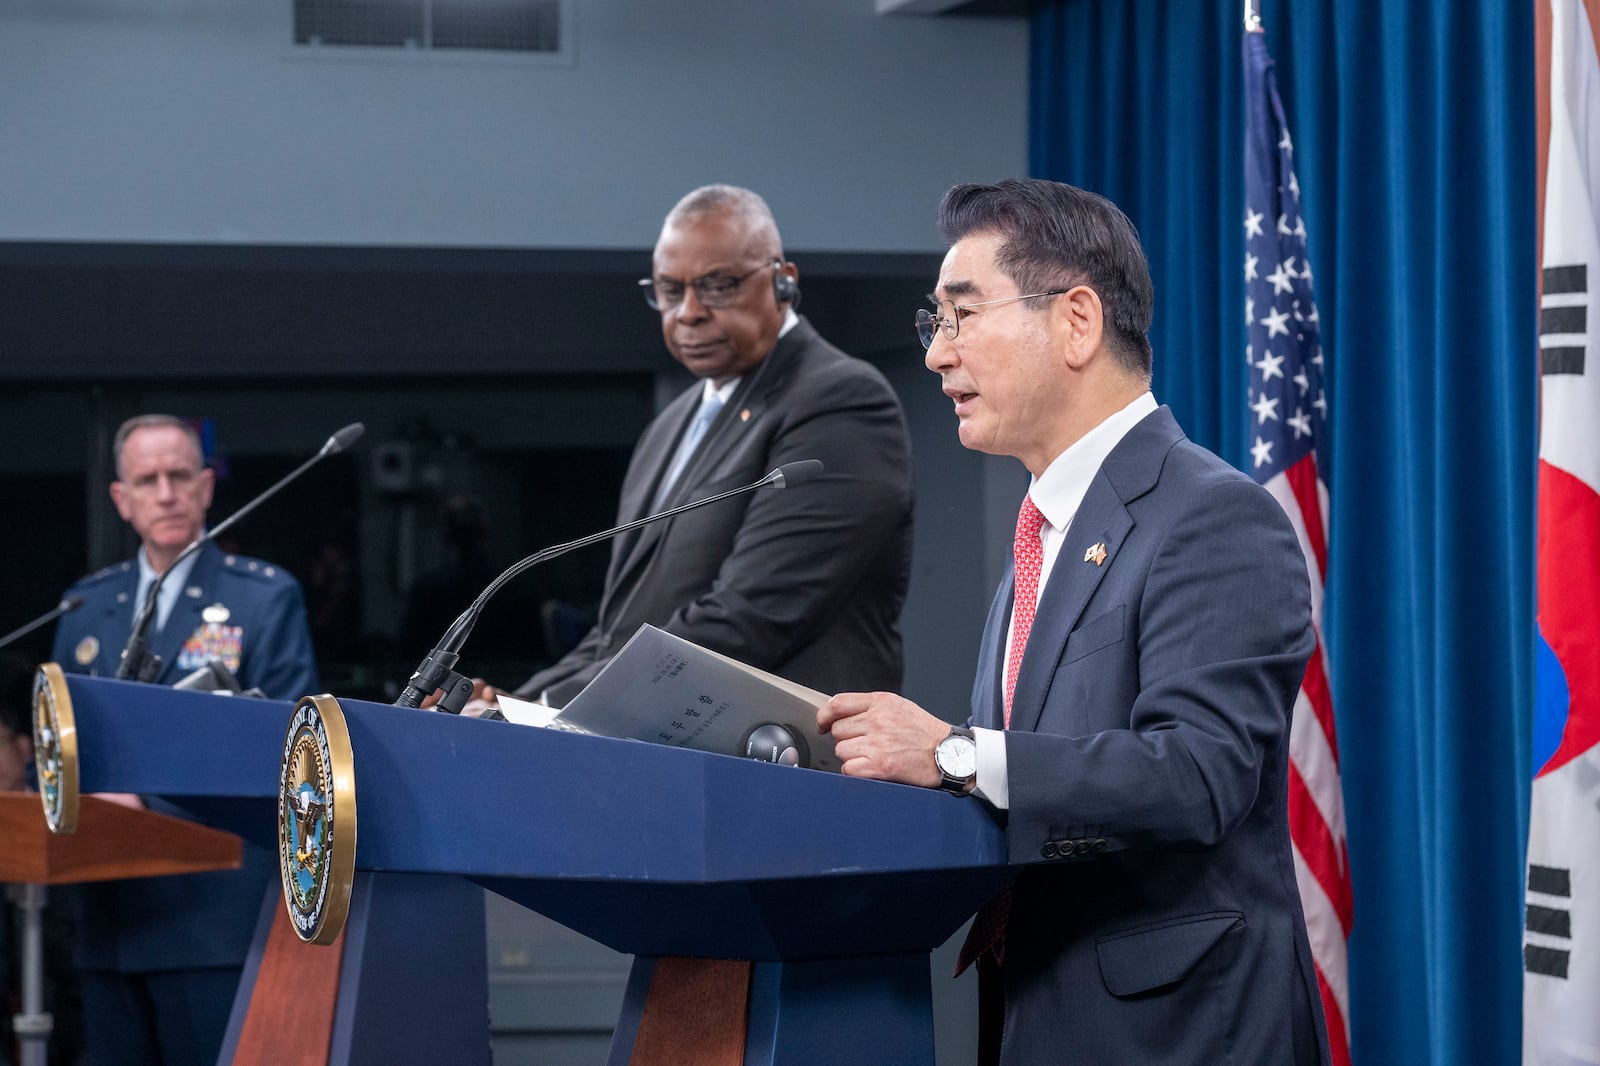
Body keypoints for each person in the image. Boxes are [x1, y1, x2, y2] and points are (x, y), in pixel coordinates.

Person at [817, 179, 1330, 1065]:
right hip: (1037, 1017)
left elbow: (1198, 773)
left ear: (1077, 322)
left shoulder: (1214, 516)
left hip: (1177, 1036)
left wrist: (951, 755)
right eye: (933, 323)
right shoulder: (1043, 536)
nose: (939, 356)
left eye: (962, 316)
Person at [478, 184, 913, 710]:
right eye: (668, 290)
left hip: (786, 767)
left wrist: (546, 707)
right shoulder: (670, 425)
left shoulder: (840, 399)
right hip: (670, 757)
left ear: (783, 282)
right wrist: (508, 704)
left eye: (717, 286)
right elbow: (621, 633)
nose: (688, 313)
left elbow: (749, 618)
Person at [49, 414, 319, 1066]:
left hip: (207, 914)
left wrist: (145, 806)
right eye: (147, 480)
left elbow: (288, 753)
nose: (165, 493)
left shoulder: (263, 597)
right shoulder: (86, 608)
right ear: (122, 499)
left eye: (178, 476)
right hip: (109, 916)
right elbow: (61, 743)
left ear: (205, 487)